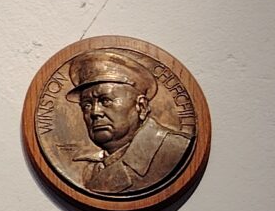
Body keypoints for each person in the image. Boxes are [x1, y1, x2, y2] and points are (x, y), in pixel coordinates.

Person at [69, 51, 189, 196]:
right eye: (86, 105)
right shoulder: (89, 169)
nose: (95, 112)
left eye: (105, 100)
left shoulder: (175, 151)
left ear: (141, 107)